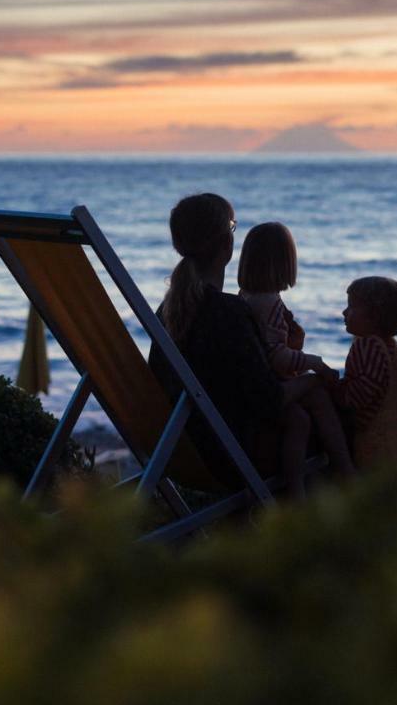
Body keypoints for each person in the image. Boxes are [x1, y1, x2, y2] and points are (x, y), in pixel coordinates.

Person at [147, 194, 344, 498]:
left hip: (179, 447)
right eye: (232, 226)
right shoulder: (229, 312)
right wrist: (315, 377)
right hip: (229, 454)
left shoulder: (169, 310)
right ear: (226, 245)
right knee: (334, 414)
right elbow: (270, 399)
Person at [237, 221, 355, 477]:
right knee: (318, 390)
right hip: (269, 389)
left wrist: (295, 343)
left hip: (254, 389)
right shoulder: (269, 303)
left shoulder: (244, 296)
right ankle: (344, 466)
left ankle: (296, 490)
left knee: (298, 420)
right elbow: (276, 357)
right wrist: (315, 363)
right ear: (285, 263)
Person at [335, 276, 397, 471]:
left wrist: (336, 390)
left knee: (372, 486)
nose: (344, 312)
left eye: (351, 307)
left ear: (374, 315)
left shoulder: (366, 345)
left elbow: (364, 391)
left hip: (375, 434)